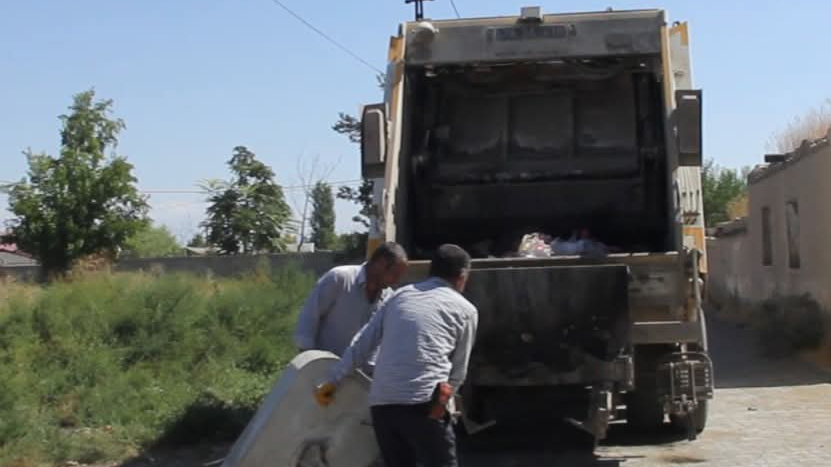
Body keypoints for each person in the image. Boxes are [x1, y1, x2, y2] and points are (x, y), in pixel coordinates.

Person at [315, 244, 478, 467]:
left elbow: (362, 343)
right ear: (461, 277)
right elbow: (458, 371)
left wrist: (333, 380)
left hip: (383, 405)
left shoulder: (399, 296)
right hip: (425, 403)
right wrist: (443, 405)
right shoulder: (466, 309)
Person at [293, 242, 408, 361]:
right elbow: (309, 316)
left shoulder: (388, 297)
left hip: (360, 371)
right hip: (325, 366)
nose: (397, 281)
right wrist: (307, 359)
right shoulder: (339, 278)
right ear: (381, 264)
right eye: (395, 275)